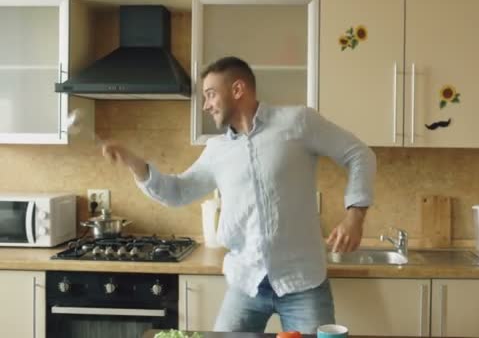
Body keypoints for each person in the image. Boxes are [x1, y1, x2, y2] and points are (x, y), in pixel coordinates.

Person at [101, 56, 376, 333]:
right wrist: (133, 162)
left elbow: (359, 154)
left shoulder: (298, 122)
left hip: (303, 283)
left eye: (210, 94)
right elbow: (178, 192)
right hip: (246, 284)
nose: (206, 105)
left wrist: (355, 216)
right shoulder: (216, 150)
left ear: (237, 90)